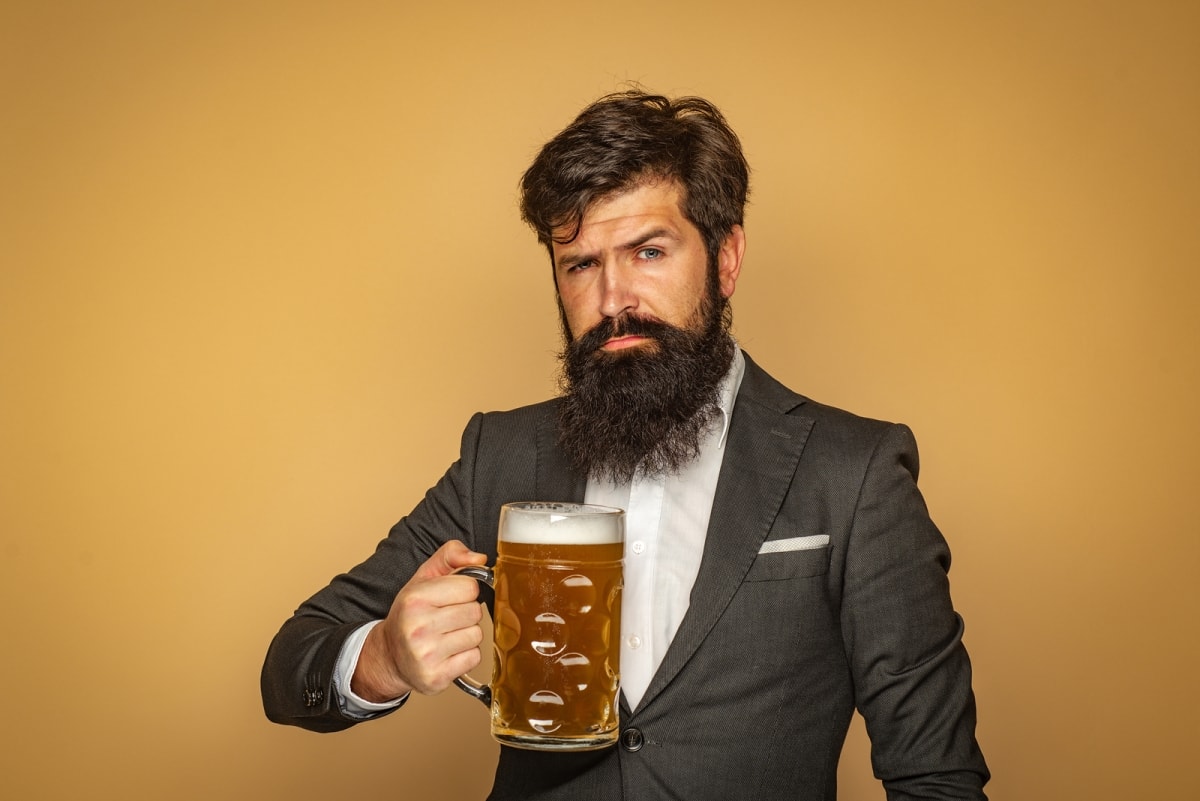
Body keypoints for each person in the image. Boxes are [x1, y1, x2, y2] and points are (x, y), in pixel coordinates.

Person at [261, 89, 990, 800]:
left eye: (648, 251)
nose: (614, 300)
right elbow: (290, 664)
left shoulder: (853, 472)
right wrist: (383, 657)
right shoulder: (501, 455)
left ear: (726, 257)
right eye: (581, 264)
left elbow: (936, 778)